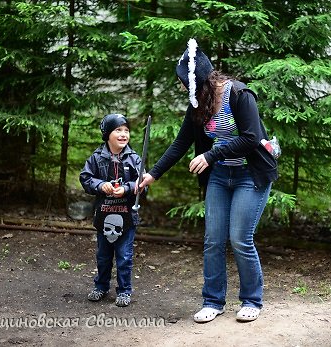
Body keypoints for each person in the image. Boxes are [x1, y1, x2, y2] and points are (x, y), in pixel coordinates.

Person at [137, 39, 278, 323]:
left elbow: (251, 138)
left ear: (198, 80)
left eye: (182, 82)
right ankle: (213, 301)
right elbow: (180, 144)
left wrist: (213, 154)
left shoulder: (239, 95)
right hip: (220, 176)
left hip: (250, 174)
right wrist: (153, 174)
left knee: (240, 238)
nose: (180, 88)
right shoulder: (197, 104)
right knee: (213, 240)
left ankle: (252, 300)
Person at [80, 113, 142, 307]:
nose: (123, 134)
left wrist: (129, 188)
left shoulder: (134, 159)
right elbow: (86, 178)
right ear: (107, 134)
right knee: (103, 255)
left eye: (126, 130)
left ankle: (124, 290)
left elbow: (143, 183)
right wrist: (100, 185)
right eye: (118, 130)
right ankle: (101, 286)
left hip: (126, 216)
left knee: (124, 256)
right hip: (104, 215)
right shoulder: (97, 158)